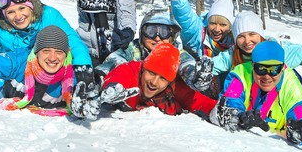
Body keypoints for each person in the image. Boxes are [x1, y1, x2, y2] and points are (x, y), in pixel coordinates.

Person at [73, 42, 217, 120]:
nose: (154, 82)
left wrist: (218, 112)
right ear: (144, 68)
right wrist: (111, 87)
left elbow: (198, 101)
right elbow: (120, 76)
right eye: (151, 73)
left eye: (162, 78)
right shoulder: (133, 69)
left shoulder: (175, 86)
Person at [210, 41, 302, 146]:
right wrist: (240, 117)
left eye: (274, 70)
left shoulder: (292, 86)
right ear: (252, 66)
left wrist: (299, 133)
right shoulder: (240, 74)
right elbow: (229, 104)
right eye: (260, 69)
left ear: (282, 68)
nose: (267, 76)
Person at [95, 8, 214, 92]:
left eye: (164, 32)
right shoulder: (133, 49)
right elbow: (116, 60)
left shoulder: (177, 52)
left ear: (172, 35)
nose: (157, 38)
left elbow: (186, 64)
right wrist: (100, 76)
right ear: (142, 34)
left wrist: (195, 76)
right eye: (151, 31)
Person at [211, 11, 302, 80]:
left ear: (260, 35)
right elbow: (212, 65)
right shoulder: (232, 55)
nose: (247, 41)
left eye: (252, 34)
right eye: (241, 36)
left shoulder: (277, 51)